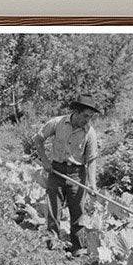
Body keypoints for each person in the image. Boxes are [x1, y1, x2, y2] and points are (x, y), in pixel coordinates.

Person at [34, 94, 102, 251]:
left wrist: (92, 184)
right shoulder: (57, 123)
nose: (87, 120)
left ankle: (77, 249)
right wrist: (44, 161)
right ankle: (52, 246)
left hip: (77, 174)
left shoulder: (89, 132)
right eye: (85, 115)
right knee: (53, 211)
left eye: (91, 117)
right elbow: (38, 139)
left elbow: (91, 160)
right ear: (76, 112)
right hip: (56, 171)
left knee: (78, 213)